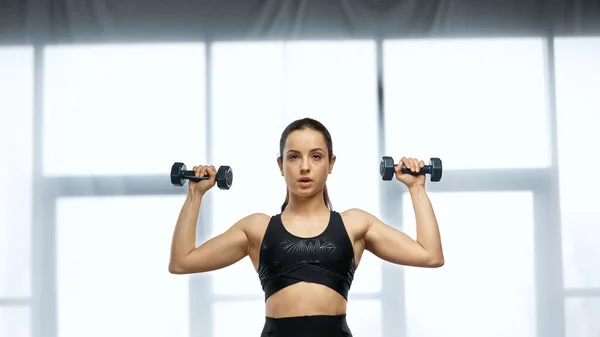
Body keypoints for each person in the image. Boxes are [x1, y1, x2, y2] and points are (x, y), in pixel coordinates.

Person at [168, 117, 444, 337]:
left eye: (315, 156)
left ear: (331, 163)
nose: (304, 167)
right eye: (293, 157)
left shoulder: (354, 224)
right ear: (280, 164)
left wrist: (417, 188)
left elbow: (430, 255)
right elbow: (182, 261)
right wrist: (195, 194)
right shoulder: (257, 229)